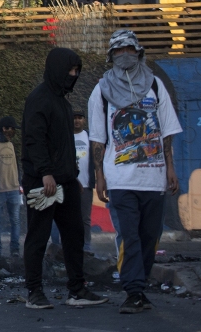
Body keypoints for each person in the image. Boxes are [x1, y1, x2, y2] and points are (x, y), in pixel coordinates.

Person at [89, 30, 181, 314]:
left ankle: (139, 288)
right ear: (111, 56)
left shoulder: (155, 86)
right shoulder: (101, 91)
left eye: (129, 49)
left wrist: (170, 167)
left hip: (154, 178)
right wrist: (99, 176)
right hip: (120, 180)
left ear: (139, 53)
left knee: (150, 238)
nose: (125, 55)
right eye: (119, 51)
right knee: (129, 237)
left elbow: (167, 130)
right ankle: (133, 292)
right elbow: (97, 138)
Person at [22, 47, 108, 309]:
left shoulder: (63, 101)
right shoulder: (39, 99)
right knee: (38, 237)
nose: (74, 75)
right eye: (70, 70)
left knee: (74, 235)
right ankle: (34, 292)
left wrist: (73, 175)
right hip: (43, 182)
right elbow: (34, 140)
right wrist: (45, 172)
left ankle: (77, 290)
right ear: (58, 69)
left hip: (67, 182)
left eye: (76, 71)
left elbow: (64, 144)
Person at [0, 116, 21, 258]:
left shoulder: (11, 144)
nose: (13, 132)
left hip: (14, 189)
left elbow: (16, 166)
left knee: (15, 221)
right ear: (4, 129)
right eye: (11, 129)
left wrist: (20, 183)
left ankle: (15, 249)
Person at [72, 111, 94, 253]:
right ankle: (71, 245)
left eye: (80, 118)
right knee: (70, 217)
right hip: (69, 185)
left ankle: (87, 246)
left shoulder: (89, 137)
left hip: (86, 184)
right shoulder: (66, 137)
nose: (77, 121)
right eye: (74, 118)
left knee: (85, 218)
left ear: (84, 120)